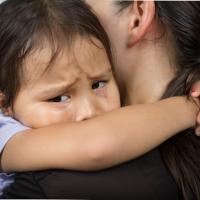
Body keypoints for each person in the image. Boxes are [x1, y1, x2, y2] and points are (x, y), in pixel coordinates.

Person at [1, 0, 200, 199]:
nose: (90, 111)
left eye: (98, 85)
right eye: (59, 98)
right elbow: (95, 145)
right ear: (4, 104)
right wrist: (189, 107)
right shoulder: (6, 132)